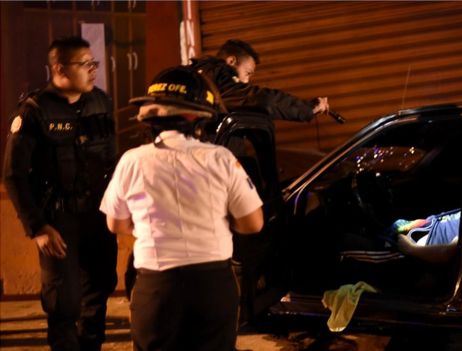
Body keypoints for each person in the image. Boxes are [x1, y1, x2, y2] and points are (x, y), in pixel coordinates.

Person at [99, 66, 264, 350]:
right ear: (198, 119)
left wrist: (148, 227)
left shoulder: (132, 161)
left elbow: (116, 225)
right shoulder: (221, 159)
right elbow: (253, 223)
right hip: (213, 285)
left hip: (156, 288)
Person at [3, 36, 118, 350]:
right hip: (58, 219)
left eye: (94, 63)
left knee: (100, 287)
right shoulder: (33, 112)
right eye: (85, 64)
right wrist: (37, 227)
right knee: (64, 302)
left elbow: (112, 159)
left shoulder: (100, 101)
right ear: (59, 68)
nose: (93, 70)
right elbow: (14, 176)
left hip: (98, 214)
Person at [192, 38, 330, 122]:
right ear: (231, 61)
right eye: (247, 73)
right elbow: (264, 100)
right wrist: (307, 108)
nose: (246, 82)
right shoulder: (219, 79)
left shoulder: (195, 73)